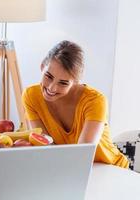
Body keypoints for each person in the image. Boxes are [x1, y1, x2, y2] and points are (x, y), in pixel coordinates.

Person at [22, 40, 129, 168]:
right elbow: (45, 148)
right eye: (48, 76)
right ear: (42, 66)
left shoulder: (95, 101)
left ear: (76, 82)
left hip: (111, 169)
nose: (52, 88)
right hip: (72, 170)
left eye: (63, 83)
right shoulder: (31, 96)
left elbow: (82, 156)